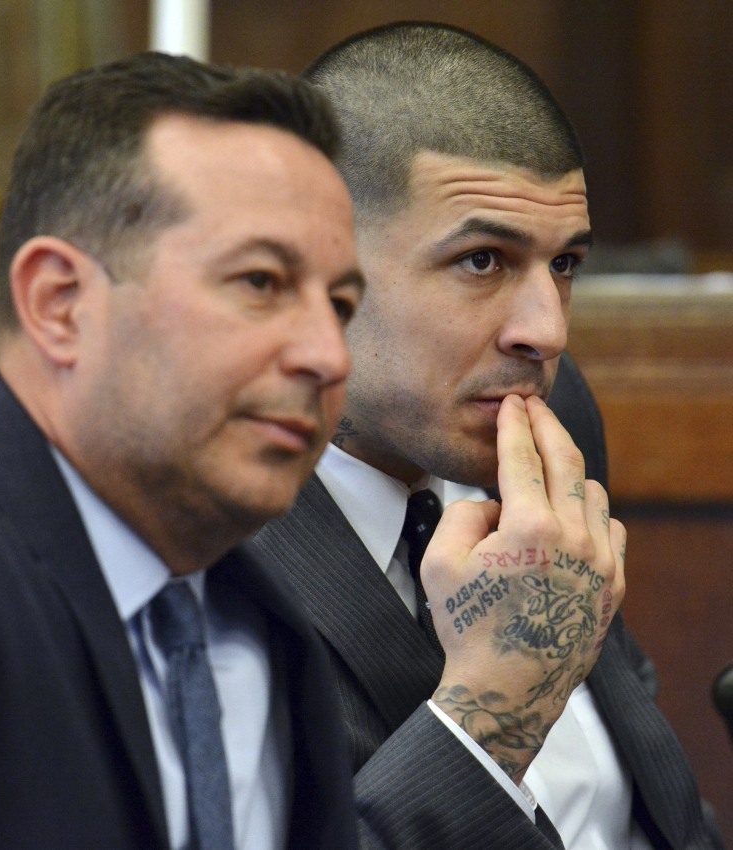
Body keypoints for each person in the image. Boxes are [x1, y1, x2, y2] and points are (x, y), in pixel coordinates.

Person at [252, 22, 724, 849]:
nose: (546, 330)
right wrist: (498, 713)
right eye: (483, 261)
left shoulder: (546, 414)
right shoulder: (205, 517)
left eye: (565, 264)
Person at [0, 51, 367, 850]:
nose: (328, 355)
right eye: (261, 281)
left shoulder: (269, 631)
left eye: (342, 305)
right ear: (60, 304)